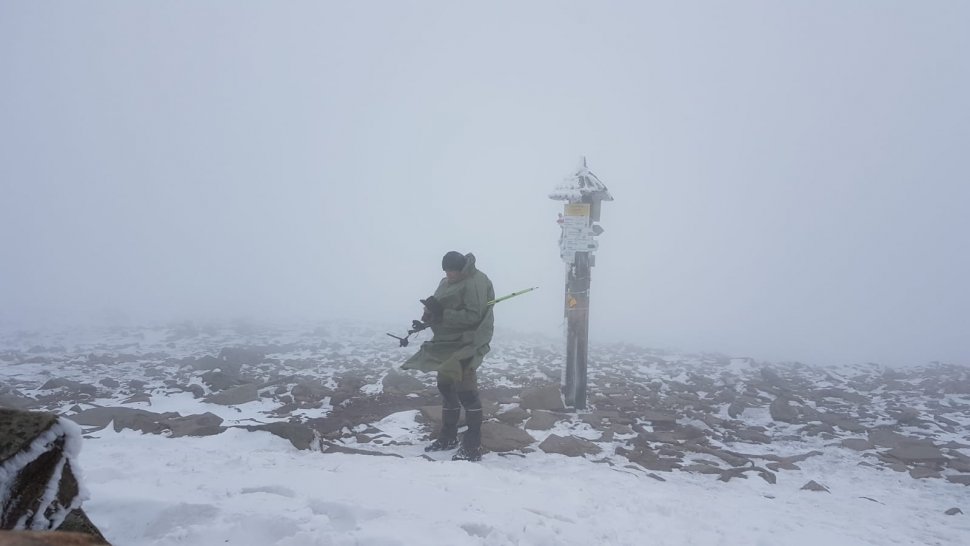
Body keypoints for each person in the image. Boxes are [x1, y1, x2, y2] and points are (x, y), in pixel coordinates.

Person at [401, 251, 495, 461]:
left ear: (461, 268)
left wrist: (443, 315)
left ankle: (472, 446)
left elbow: (474, 316)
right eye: (446, 271)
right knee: (445, 386)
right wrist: (429, 315)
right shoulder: (447, 280)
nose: (448, 275)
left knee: (466, 392)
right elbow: (439, 303)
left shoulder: (475, 282)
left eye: (452, 271)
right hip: (446, 341)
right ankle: (448, 437)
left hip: (468, 342)